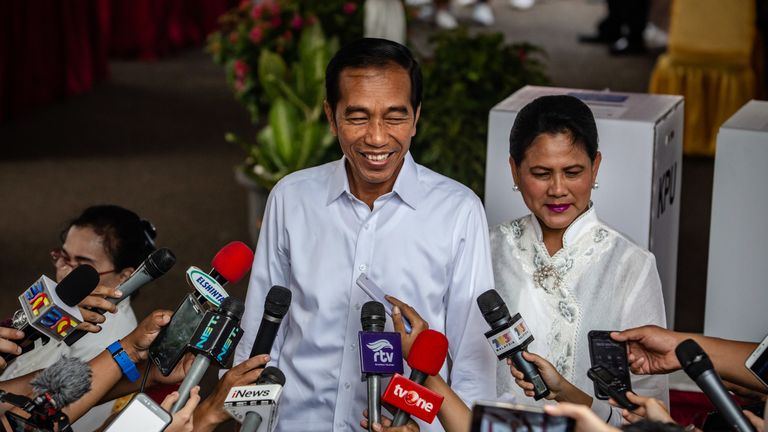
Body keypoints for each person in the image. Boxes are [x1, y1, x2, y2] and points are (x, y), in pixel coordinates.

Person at [232, 37, 496, 431]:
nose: (376, 137)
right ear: (330, 116)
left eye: (394, 117)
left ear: (416, 117)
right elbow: (260, 328)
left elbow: (474, 361)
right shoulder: (292, 197)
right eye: (357, 117)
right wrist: (247, 418)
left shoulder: (458, 211)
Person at [490, 95, 668, 425]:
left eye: (572, 172)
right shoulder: (489, 249)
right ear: (514, 170)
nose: (558, 189)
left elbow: (650, 412)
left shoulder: (631, 266)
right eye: (541, 173)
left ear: (595, 166)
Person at [0, 204, 157, 430]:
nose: (64, 272)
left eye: (83, 266)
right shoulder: (60, 306)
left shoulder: (106, 342)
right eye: (63, 257)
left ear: (125, 276)